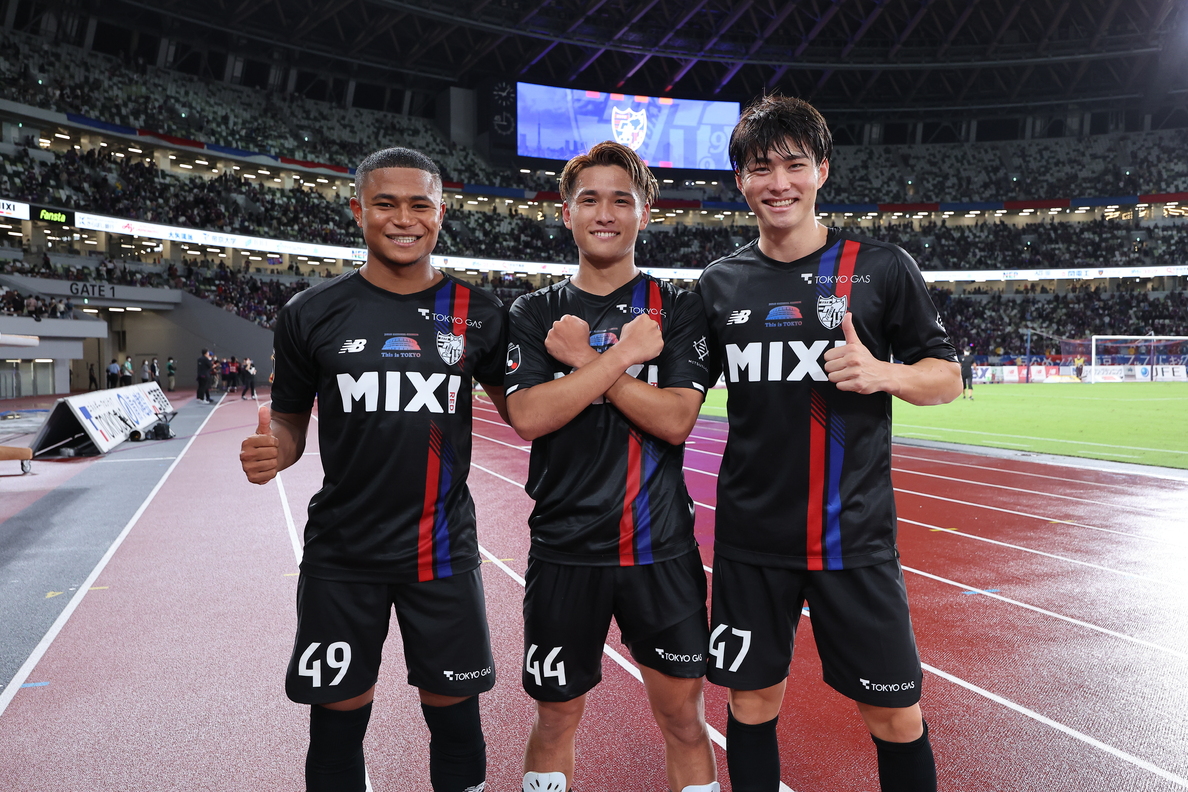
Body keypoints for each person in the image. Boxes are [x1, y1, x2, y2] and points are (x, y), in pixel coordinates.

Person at [694, 95, 961, 792]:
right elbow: (677, 400)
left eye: (794, 165)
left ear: (822, 171)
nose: (778, 182)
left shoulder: (882, 267)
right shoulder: (719, 284)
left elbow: (947, 377)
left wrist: (885, 374)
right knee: (751, 705)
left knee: (895, 713)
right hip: (752, 541)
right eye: (760, 168)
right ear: (741, 181)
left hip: (854, 538)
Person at [239, 147, 508, 792]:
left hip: (441, 551)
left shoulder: (479, 312)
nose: (403, 219)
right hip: (343, 554)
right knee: (336, 724)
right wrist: (275, 448)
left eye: (419, 204)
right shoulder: (310, 312)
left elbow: (527, 413)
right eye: (386, 203)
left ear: (441, 214)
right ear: (359, 210)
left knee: (456, 721)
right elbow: (290, 423)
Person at [504, 141, 718, 792]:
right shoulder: (533, 313)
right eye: (589, 200)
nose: (605, 213)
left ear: (644, 213)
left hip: (661, 550)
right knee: (555, 717)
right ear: (566, 212)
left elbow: (675, 419)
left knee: (684, 720)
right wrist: (621, 358)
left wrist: (584, 364)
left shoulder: (678, 308)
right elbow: (529, 416)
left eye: (621, 200)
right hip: (565, 550)